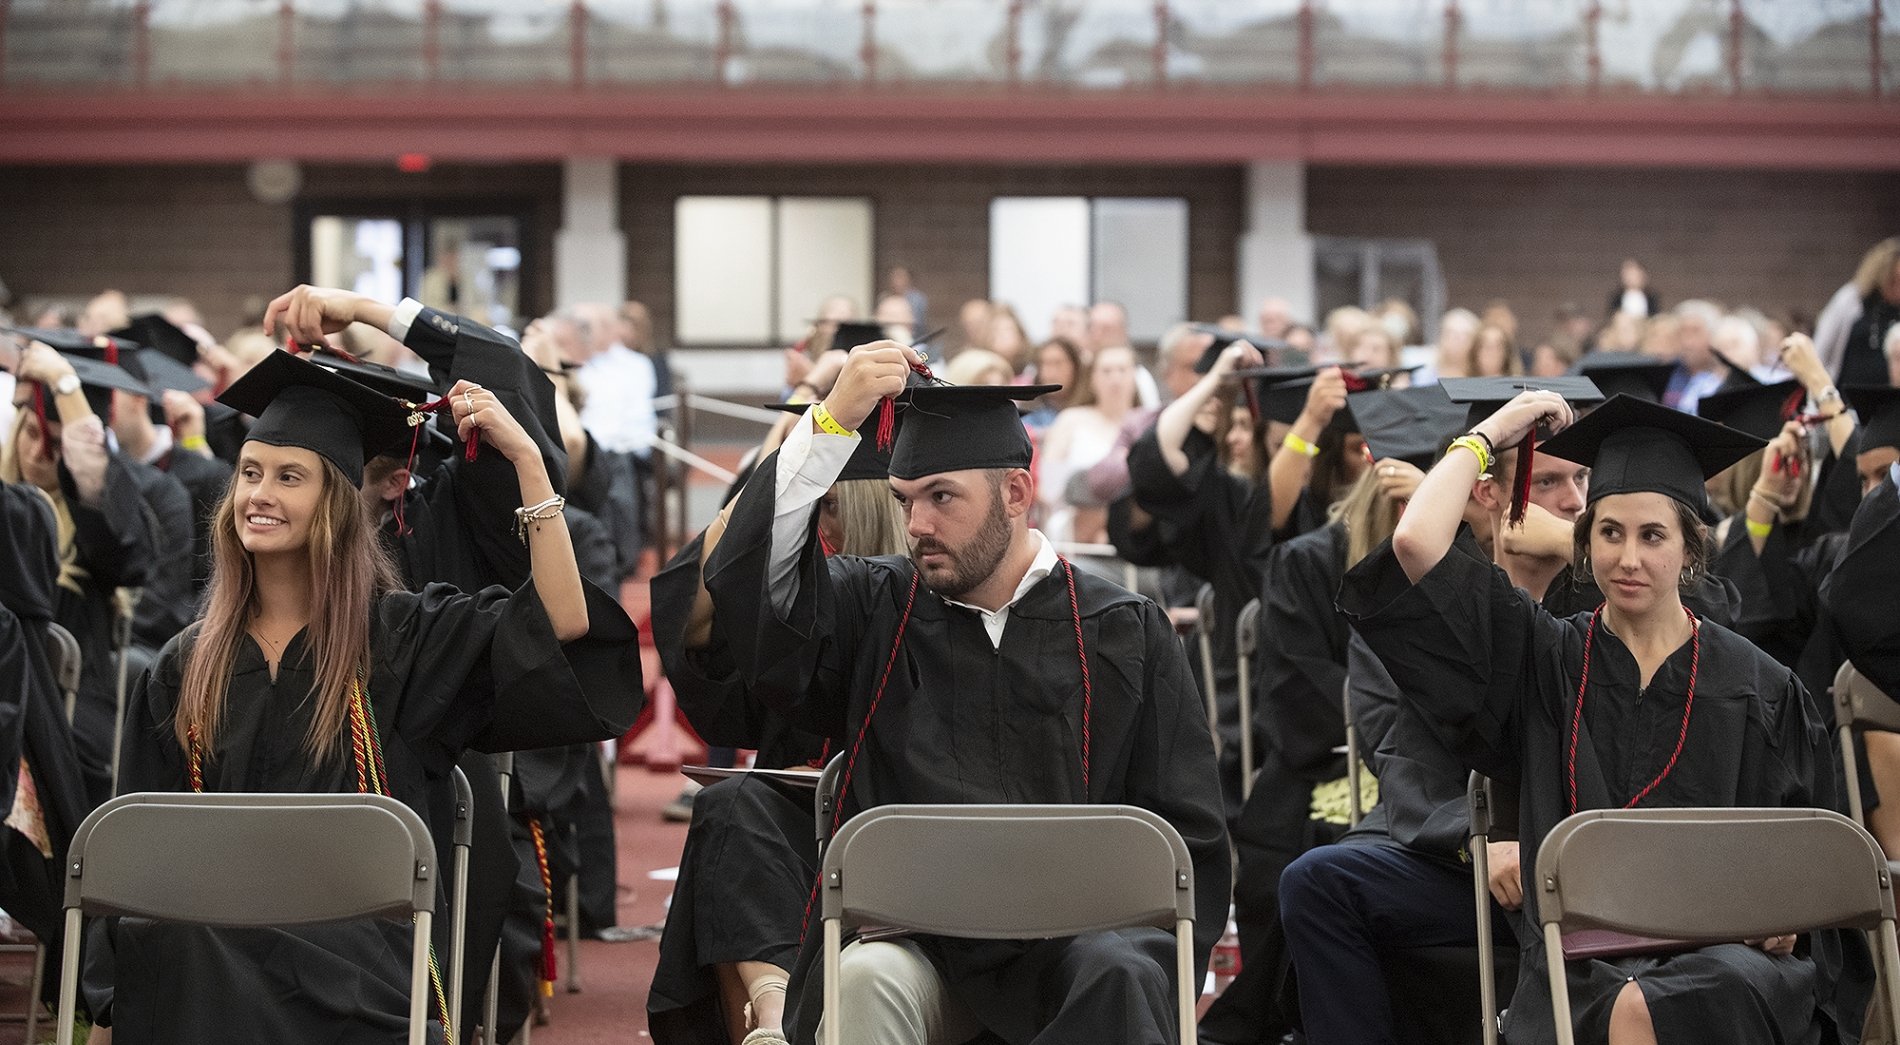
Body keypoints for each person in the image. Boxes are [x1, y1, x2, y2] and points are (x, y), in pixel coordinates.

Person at [82, 341, 642, 1042]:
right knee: (175, 942)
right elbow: (138, 857)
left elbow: (561, 622)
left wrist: (530, 464)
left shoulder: (404, 640)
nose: (259, 493)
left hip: (357, 964)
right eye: (251, 473)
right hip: (210, 950)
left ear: (336, 505)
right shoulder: (186, 665)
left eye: (290, 476)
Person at [698, 347, 1228, 1045]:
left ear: (1015, 492)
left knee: (1124, 970)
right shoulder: (873, 609)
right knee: (864, 976)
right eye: (904, 499)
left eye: (941, 496)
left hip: (1078, 951)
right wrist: (829, 423)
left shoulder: (1124, 630)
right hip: (920, 945)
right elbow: (749, 577)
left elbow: (1187, 839)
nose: (916, 525)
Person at [1339, 391, 1866, 1045]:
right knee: (1625, 1003)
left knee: (1661, 1002)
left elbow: (1817, 867)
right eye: (1610, 533)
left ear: (1689, 549)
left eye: (1653, 535)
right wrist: (1492, 433)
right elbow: (1416, 541)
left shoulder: (1761, 687)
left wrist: (1790, 915)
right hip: (1582, 963)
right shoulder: (1549, 659)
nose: (1629, 558)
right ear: (1584, 542)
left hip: (1733, 958)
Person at [1276, 376, 1603, 1045]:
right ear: (1486, 493)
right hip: (1470, 856)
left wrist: (1584, 551)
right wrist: (1475, 838)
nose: (1573, 502)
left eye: (1582, 481)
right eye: (1548, 483)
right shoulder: (1431, 607)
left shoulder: (1610, 601)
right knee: (1315, 879)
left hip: (1588, 859)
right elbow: (1401, 750)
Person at [648, 398, 911, 1045]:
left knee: (740, 822)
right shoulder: (804, 608)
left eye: (823, 503)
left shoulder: (928, 604)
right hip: (797, 829)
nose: (815, 521)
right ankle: (774, 1018)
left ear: (851, 505)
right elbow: (695, 623)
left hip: (902, 839)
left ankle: (777, 1017)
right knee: (732, 808)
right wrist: (789, 456)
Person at [1038, 344, 1140, 543]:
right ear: (1092, 378)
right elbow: (1049, 488)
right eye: (1107, 371)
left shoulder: (1148, 423)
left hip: (1133, 533)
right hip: (1076, 532)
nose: (1115, 379)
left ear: (1134, 376)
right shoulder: (1071, 419)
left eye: (1122, 370)